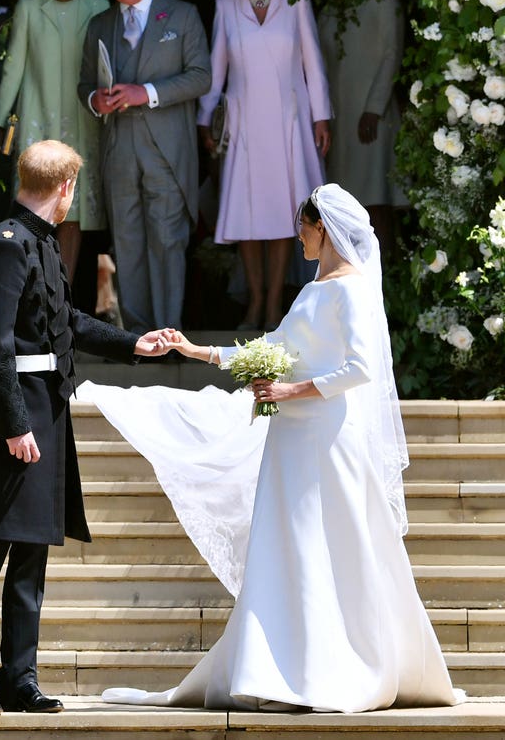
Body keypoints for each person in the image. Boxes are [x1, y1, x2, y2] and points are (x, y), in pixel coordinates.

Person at [84, 183, 461, 713]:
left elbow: (360, 368)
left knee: (328, 545)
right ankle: (279, 670)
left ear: (323, 228)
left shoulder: (350, 288)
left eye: (303, 226)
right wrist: (193, 349)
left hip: (327, 438)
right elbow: (273, 351)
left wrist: (290, 390)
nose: (298, 234)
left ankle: (328, 671)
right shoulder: (313, 289)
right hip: (290, 439)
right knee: (288, 548)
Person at [0, 139, 175, 716]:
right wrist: (14, 425)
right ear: (66, 187)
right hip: (13, 418)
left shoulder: (42, 244)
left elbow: (66, 322)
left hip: (44, 412)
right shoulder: (5, 246)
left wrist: (133, 344)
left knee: (31, 556)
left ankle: (18, 678)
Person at [197, 0, 331, 332]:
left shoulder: (296, 0)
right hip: (244, 126)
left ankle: (275, 304)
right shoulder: (225, 6)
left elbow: (314, 64)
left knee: (281, 219)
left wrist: (321, 118)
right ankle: (255, 302)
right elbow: (216, 70)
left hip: (288, 122)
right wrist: (205, 120)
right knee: (248, 220)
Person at [78, 0, 211, 334]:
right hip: (118, 147)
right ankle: (138, 337)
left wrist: (146, 93)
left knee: (168, 241)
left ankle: (170, 334)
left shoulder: (183, 15)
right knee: (128, 241)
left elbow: (202, 77)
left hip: (167, 149)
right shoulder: (100, 24)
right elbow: (84, 83)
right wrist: (93, 100)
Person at [0, 0, 109, 286]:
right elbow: (13, 67)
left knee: (73, 211)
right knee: (34, 206)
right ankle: (33, 290)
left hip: (82, 120)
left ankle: (64, 293)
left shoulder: (99, 7)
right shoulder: (28, 6)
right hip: (37, 117)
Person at [314, 0, 406, 259]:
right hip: (340, 119)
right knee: (345, 206)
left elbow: (391, 54)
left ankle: (388, 284)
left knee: (375, 201)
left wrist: (373, 108)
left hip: (371, 118)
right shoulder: (329, 8)